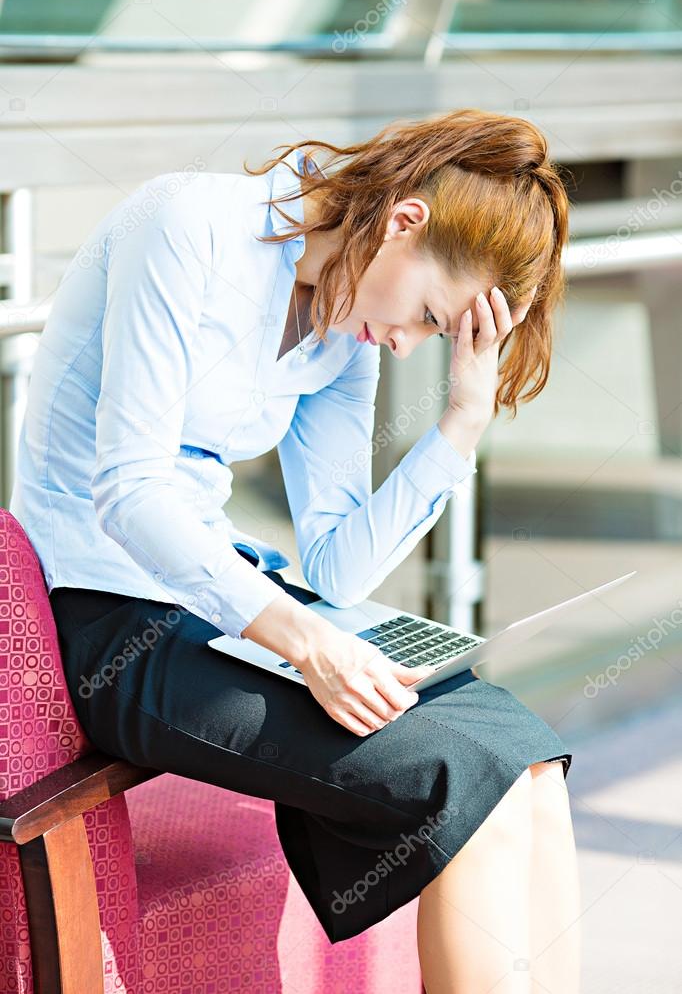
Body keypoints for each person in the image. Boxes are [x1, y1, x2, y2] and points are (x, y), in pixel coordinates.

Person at [10, 108, 579, 993]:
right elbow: (130, 490)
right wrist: (308, 644)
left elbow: (341, 567)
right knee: (470, 784)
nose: (407, 342)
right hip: (106, 617)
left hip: (228, 603)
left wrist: (459, 423)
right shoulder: (187, 226)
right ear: (403, 221)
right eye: (427, 315)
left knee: (532, 760)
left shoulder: (345, 325)